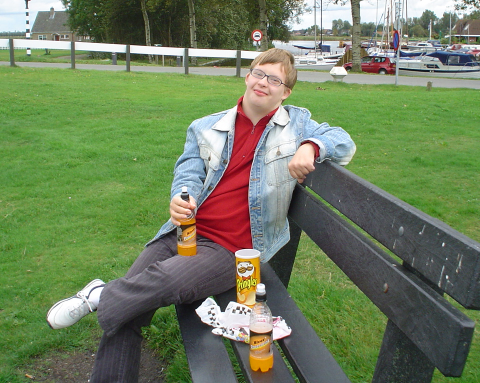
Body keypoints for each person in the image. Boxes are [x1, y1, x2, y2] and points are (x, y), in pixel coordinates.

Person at [46, 48, 356, 382]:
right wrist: (182, 196)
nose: (264, 82)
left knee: (162, 282)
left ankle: (101, 295)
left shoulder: (296, 124)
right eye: (259, 73)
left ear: (286, 92)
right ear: (248, 76)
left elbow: (343, 141)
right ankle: (108, 318)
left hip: (231, 249)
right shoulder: (206, 126)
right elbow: (188, 172)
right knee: (127, 310)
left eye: (274, 79)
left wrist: (311, 146)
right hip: (185, 230)